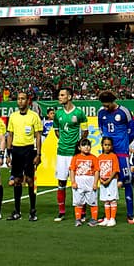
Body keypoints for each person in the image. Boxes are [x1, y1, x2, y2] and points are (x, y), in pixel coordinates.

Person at [97, 91, 134, 223]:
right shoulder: (101, 112)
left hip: (121, 152)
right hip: (107, 153)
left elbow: (132, 130)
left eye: (107, 105)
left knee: (126, 181)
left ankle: (130, 214)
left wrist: (124, 143)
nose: (105, 108)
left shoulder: (124, 111)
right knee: (105, 180)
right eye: (103, 105)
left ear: (113, 101)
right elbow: (101, 129)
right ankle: (107, 215)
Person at [50, 87, 87, 222]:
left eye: (62, 95)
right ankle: (61, 212)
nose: (59, 97)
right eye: (59, 95)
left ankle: (82, 211)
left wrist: (78, 145)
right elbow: (56, 131)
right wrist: (64, 141)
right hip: (61, 153)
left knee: (78, 182)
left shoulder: (79, 113)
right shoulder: (58, 114)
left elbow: (85, 131)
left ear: (70, 97)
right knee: (61, 182)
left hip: (74, 153)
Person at [6, 90, 43, 221]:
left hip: (29, 150)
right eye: (18, 98)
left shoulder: (34, 116)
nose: (20, 101)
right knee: (17, 181)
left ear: (28, 101)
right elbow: (10, 135)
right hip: (16, 150)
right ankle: (17, 211)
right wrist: (8, 153)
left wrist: (38, 154)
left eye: (23, 98)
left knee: (29, 180)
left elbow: (38, 136)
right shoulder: (13, 116)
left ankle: (33, 210)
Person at [69, 137, 98, 226]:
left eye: (88, 145)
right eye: (84, 145)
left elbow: (97, 171)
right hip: (79, 182)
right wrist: (73, 182)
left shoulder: (93, 158)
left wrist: (95, 183)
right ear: (79, 148)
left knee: (93, 201)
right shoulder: (75, 157)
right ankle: (78, 219)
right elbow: (72, 170)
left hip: (90, 181)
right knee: (78, 201)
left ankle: (94, 219)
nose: (87, 147)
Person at [96, 136, 121, 226]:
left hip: (112, 181)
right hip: (103, 182)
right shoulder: (99, 157)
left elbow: (115, 169)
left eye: (109, 145)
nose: (107, 147)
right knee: (106, 200)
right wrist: (100, 180)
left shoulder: (113, 156)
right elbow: (97, 170)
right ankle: (107, 218)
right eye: (105, 145)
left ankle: (112, 218)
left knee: (112, 200)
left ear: (112, 146)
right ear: (102, 145)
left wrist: (109, 180)